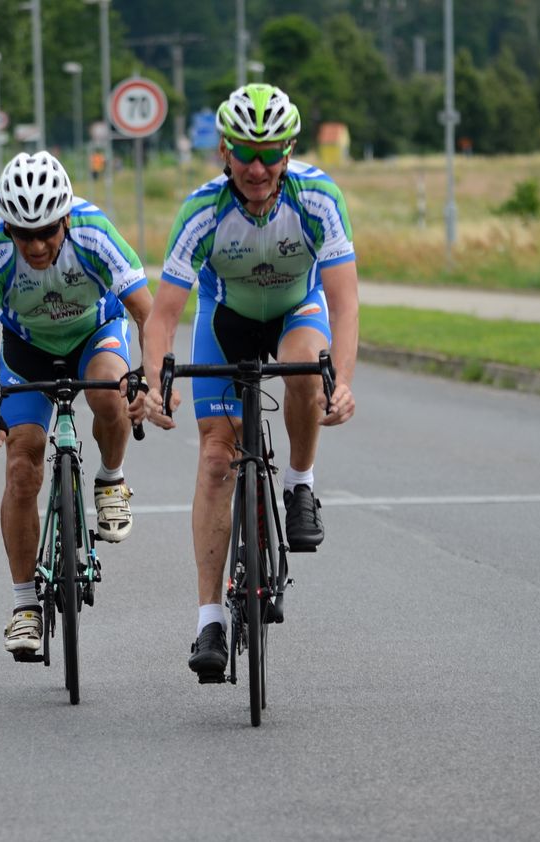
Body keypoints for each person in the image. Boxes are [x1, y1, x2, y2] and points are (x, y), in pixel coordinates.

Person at [141, 84, 358, 679]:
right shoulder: (202, 211)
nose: (257, 168)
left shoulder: (318, 197)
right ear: (224, 152)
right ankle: (210, 618)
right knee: (217, 456)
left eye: (269, 154)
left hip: (296, 312)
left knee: (305, 370)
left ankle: (299, 483)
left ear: (288, 151)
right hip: (227, 321)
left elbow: (343, 302)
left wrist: (342, 381)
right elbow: (163, 317)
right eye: (244, 153)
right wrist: (155, 382)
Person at [0, 151, 152, 658]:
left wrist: (149, 381)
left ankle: (111, 479)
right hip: (27, 353)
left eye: (47, 231)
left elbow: (146, 312)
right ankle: (25, 605)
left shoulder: (94, 232)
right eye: (23, 234)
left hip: (94, 333)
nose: (37, 245)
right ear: (7, 227)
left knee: (109, 390)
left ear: (66, 218)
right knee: (22, 466)